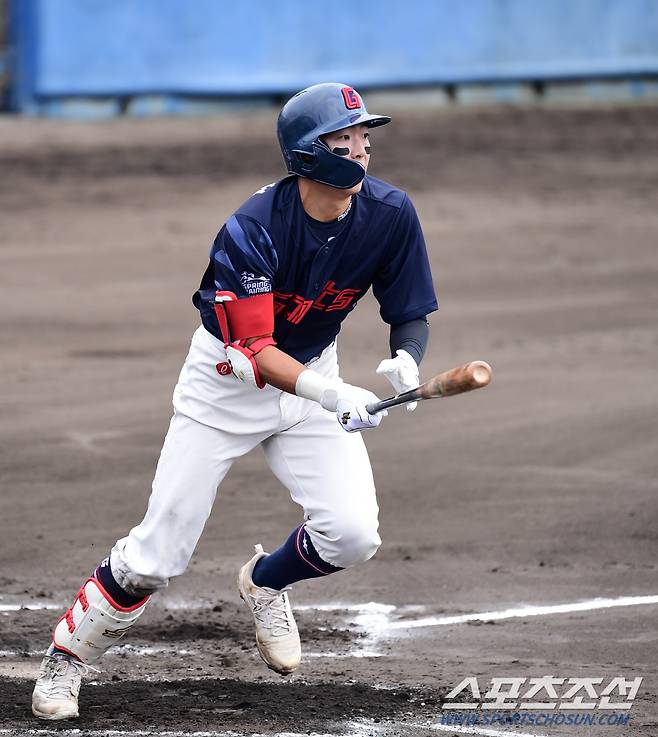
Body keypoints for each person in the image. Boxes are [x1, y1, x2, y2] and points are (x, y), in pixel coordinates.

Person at [31, 82, 438, 720]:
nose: (361, 152)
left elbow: (410, 311)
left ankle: (266, 582)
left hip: (311, 380)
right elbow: (253, 349)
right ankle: (67, 658)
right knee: (157, 556)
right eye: (344, 141)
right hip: (224, 389)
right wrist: (330, 392)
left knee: (354, 535)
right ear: (308, 155)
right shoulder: (253, 230)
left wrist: (407, 357)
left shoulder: (390, 213)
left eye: (365, 138)